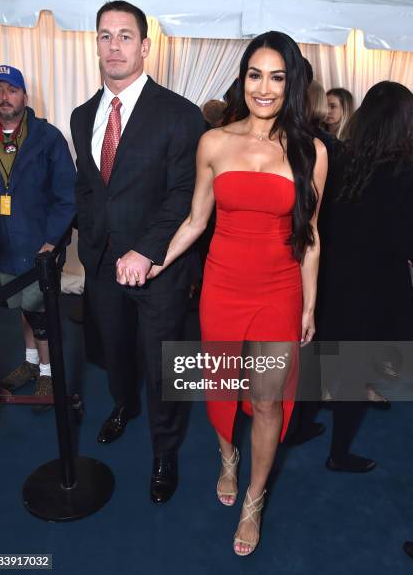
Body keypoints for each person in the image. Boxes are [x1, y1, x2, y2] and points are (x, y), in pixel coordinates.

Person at [126, 31, 327, 554]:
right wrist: (154, 259)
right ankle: (227, 456)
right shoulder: (214, 142)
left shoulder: (311, 152)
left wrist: (308, 303)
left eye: (277, 77)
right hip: (222, 285)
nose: (265, 88)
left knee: (265, 402)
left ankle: (254, 502)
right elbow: (196, 220)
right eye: (255, 74)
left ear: (292, 83)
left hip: (278, 291)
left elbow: (311, 236)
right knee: (220, 385)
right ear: (243, 79)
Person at [70, 0, 205, 504]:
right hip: (103, 264)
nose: (114, 46)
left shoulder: (180, 114)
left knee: (162, 363)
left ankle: (164, 451)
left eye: (125, 36)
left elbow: (184, 195)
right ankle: (123, 405)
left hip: (160, 270)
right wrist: (88, 241)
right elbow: (89, 188)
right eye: (105, 35)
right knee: (115, 351)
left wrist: (147, 253)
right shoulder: (83, 115)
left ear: (145, 46)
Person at [316, 81, 413, 472]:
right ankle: (339, 455)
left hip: (332, 278)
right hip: (376, 287)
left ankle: (301, 426)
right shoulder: (406, 171)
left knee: (324, 356)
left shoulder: (339, 158)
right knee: (357, 365)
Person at [0, 65, 76, 409]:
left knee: (40, 311)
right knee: (21, 306)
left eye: (12, 90)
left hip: (41, 245)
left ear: (24, 95)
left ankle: (48, 373)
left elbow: (67, 195)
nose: (4, 97)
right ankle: (30, 362)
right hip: (5, 244)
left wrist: (52, 241)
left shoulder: (47, 138)